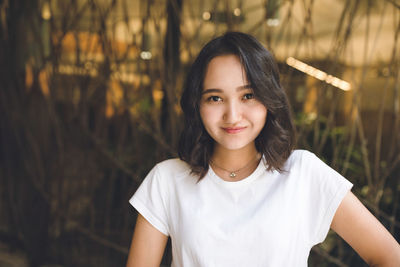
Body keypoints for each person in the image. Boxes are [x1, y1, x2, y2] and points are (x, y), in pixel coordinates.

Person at [126, 32, 400, 267]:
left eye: (248, 95)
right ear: (197, 105)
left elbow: (390, 257)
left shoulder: (304, 173)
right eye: (215, 98)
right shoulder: (166, 180)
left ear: (269, 99)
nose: (232, 115)